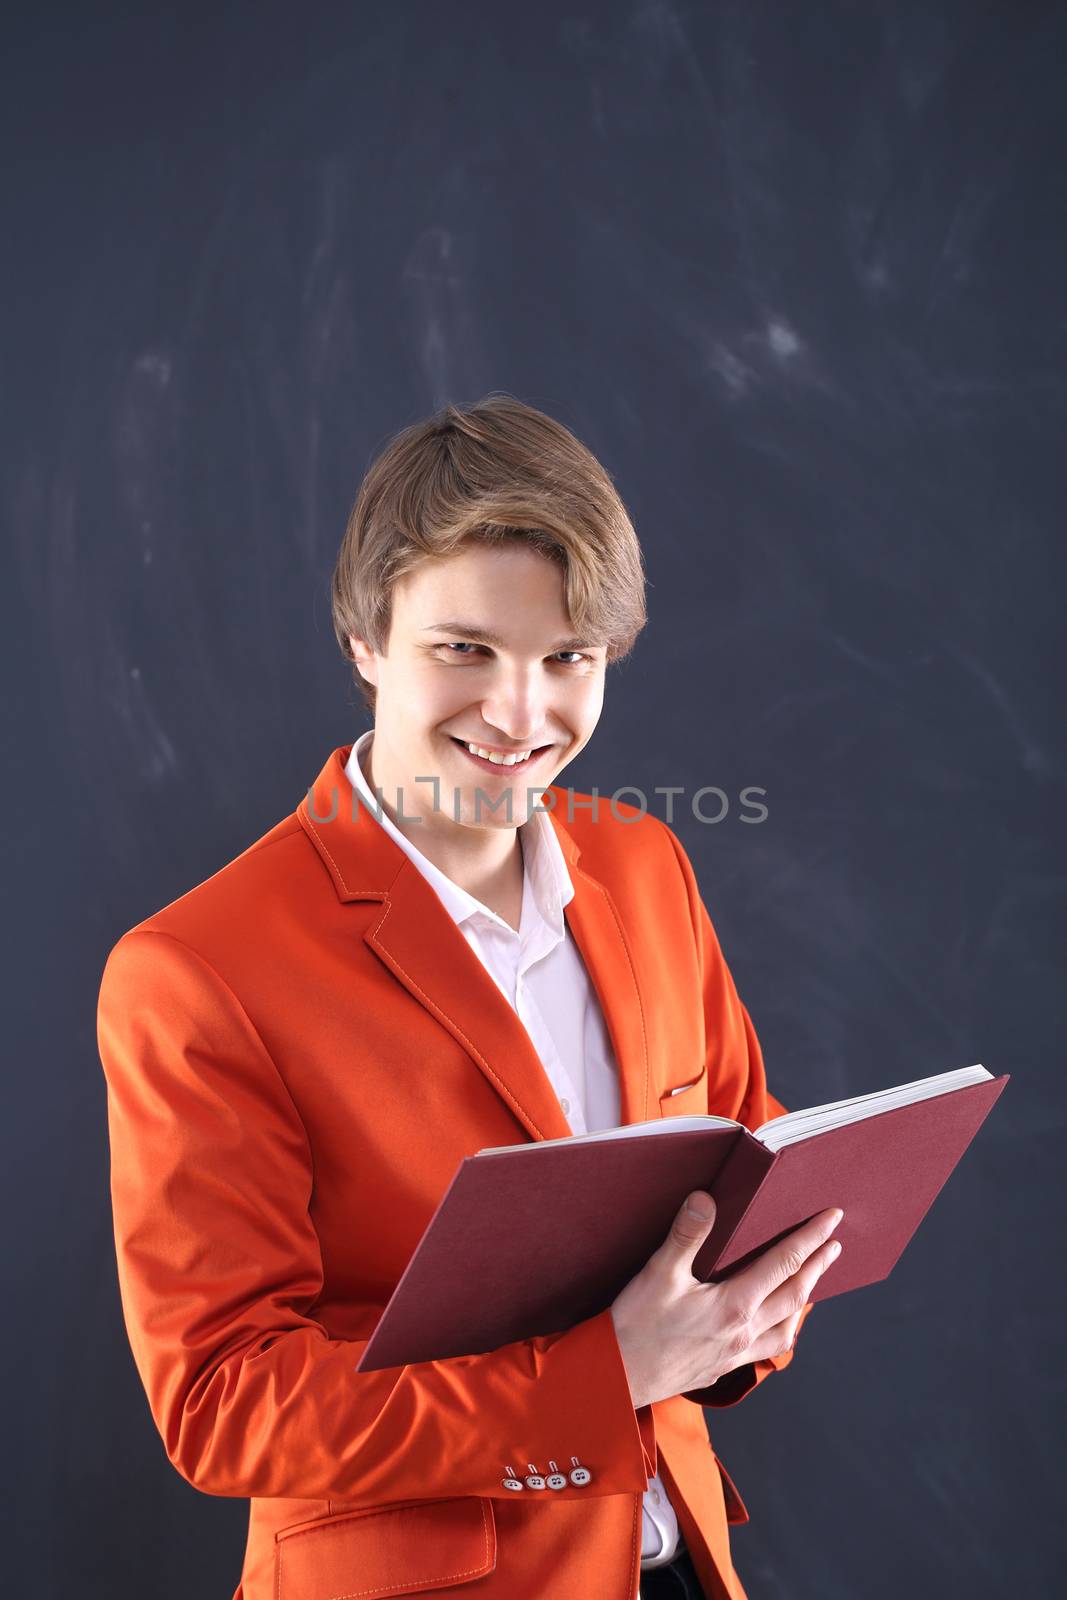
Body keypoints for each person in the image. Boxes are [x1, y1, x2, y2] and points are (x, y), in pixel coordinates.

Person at [97, 395, 842, 1600]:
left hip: (678, 1564)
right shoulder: (194, 969)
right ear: (365, 643)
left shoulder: (648, 864)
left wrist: (749, 1312)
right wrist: (606, 1371)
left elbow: (750, 1159)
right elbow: (220, 1401)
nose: (519, 712)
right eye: (465, 650)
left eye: (567, 659)